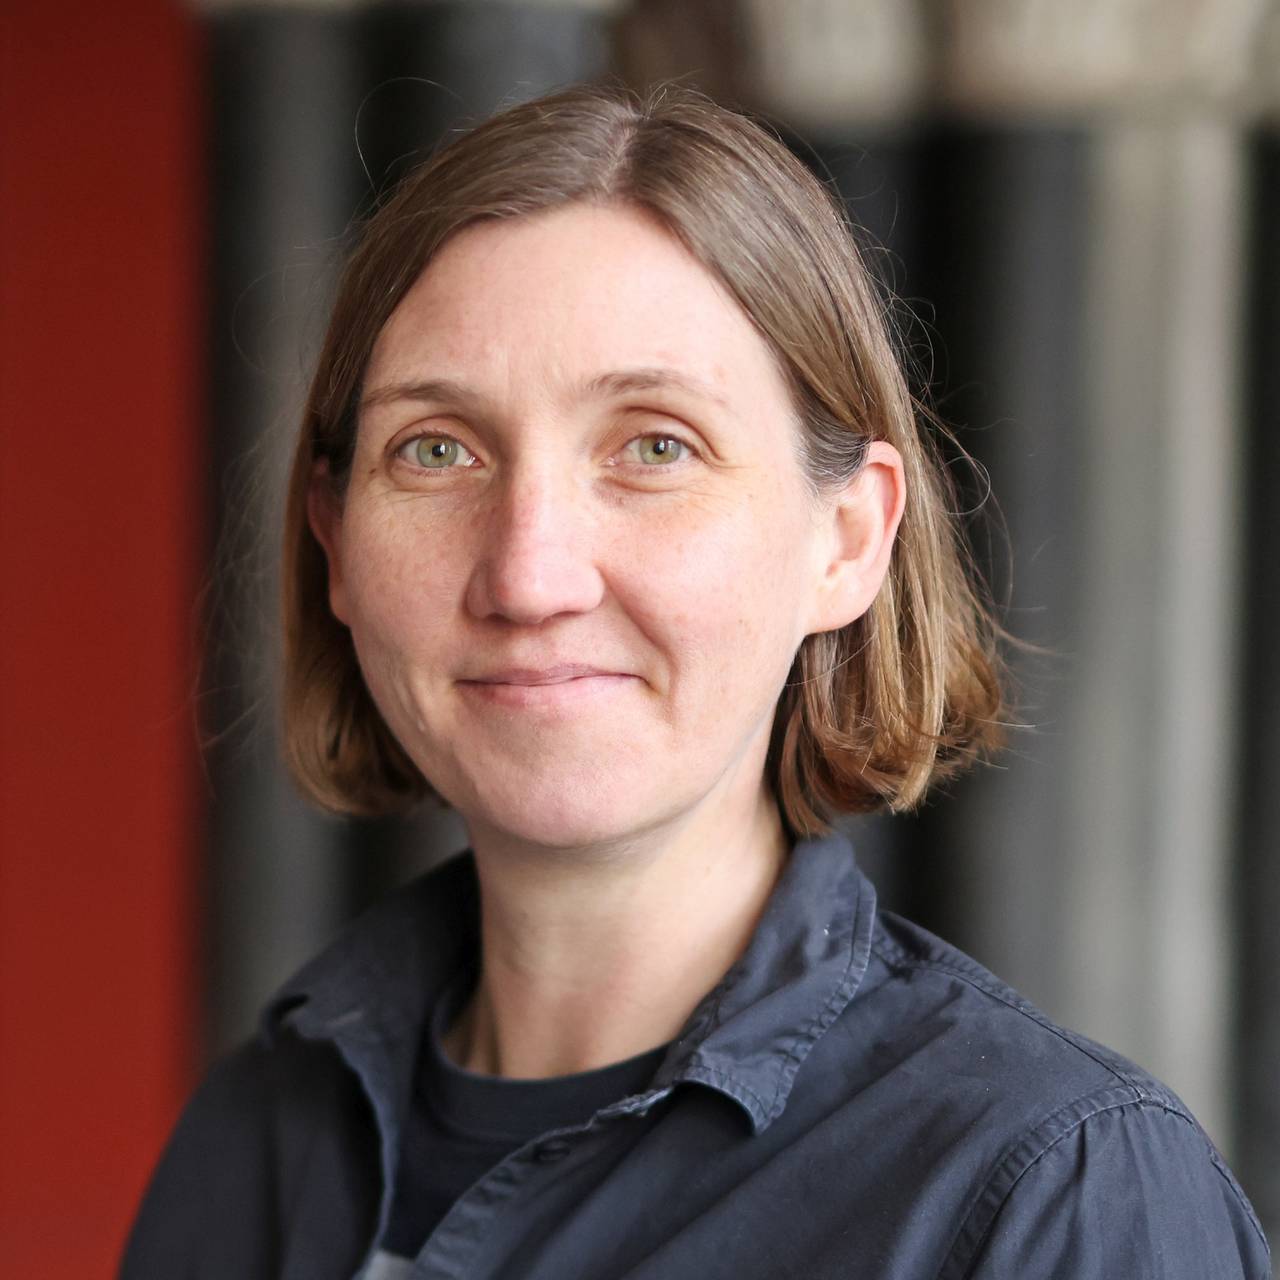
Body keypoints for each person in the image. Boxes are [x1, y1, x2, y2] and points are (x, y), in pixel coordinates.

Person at [120, 81, 1270, 1279]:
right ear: (334, 539)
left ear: (845, 540)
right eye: (437, 449)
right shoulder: (253, 1138)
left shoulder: (1052, 1191)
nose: (528, 574)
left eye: (655, 445)